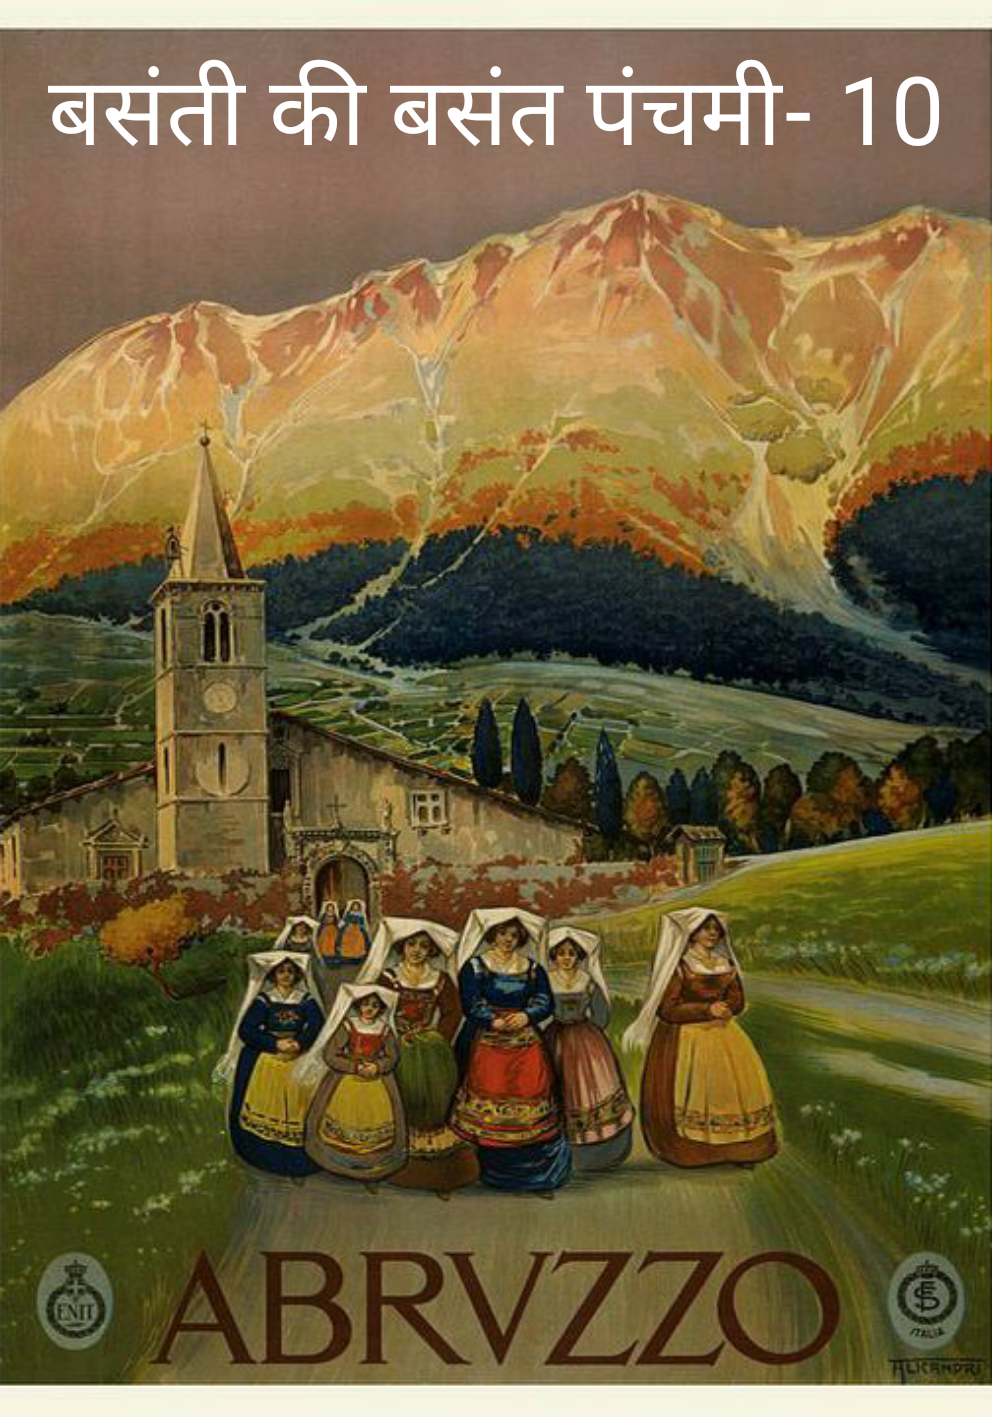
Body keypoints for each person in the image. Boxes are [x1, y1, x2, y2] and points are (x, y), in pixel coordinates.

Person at [623, 908, 777, 1168]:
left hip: (725, 1035)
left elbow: (737, 999)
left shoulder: (725, 964)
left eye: (716, 929)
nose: (712, 933)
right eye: (706, 928)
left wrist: (728, 1007)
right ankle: (697, 1151)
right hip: (686, 1037)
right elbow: (668, 1009)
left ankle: (741, 1149)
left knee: (734, 1089)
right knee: (694, 1090)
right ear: (692, 933)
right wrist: (707, 1010)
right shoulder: (680, 966)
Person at [450, 908, 570, 1195]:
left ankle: (535, 1172)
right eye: (502, 933)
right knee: (488, 1093)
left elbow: (544, 1001)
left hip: (525, 1043)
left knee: (532, 1092)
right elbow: (471, 1003)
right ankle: (491, 1170)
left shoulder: (532, 968)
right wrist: (491, 1019)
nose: (508, 939)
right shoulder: (475, 967)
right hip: (485, 1041)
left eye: (514, 935)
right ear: (492, 935)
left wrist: (527, 1015)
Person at [358, 917, 479, 1194]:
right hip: (393, 1046)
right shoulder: (388, 977)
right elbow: (377, 1011)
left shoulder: (440, 979)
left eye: (424, 946)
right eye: (411, 944)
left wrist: (436, 1039)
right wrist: (392, 1037)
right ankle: (385, 1165)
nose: (417, 950)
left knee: (432, 1103)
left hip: (429, 1051)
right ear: (401, 947)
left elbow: (453, 1013)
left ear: (431, 950)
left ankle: (435, 1173)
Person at [214, 948, 324, 1180]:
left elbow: (317, 1026)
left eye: (290, 972)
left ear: (297, 975)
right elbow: (246, 1030)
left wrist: (299, 1042)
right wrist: (275, 1044)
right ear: (273, 975)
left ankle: (298, 1157)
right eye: (281, 972)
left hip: (297, 1055)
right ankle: (263, 1154)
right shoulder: (264, 1000)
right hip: (267, 1057)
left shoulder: (305, 1000)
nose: (286, 976)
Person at [543, 925, 634, 1171]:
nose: (566, 958)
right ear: (554, 956)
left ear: (579, 956)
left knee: (592, 1088)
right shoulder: (546, 979)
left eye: (571, 953)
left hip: (586, 1040)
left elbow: (602, 1014)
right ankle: (559, 1151)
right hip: (556, 1039)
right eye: (561, 953)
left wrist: (590, 1035)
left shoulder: (587, 981)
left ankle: (596, 1153)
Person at [296, 983, 407, 1184]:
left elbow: (392, 1057)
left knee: (374, 1119)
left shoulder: (384, 1030)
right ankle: (341, 1162)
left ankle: (368, 1164)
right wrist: (354, 1067)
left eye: (374, 1005)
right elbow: (330, 1055)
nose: (369, 1009)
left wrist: (377, 1066)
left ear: (381, 1009)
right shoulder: (348, 1025)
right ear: (358, 1005)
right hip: (346, 1081)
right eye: (365, 1004)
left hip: (377, 1082)